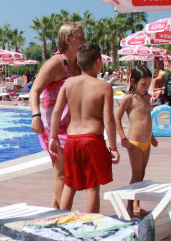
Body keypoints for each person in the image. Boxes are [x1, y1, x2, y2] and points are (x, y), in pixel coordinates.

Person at [49, 43, 119, 213]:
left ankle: (63, 220)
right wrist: (113, 147)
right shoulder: (104, 87)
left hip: (72, 140)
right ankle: (91, 223)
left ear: (78, 63)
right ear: (98, 62)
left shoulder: (68, 84)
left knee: (69, 184)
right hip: (92, 140)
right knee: (92, 187)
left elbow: (56, 112)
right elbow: (109, 120)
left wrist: (53, 137)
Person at [30, 22, 85, 208]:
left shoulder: (78, 64)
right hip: (53, 126)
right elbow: (35, 90)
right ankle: (64, 216)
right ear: (68, 39)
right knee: (63, 172)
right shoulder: (55, 63)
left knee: (68, 171)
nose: (85, 41)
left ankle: (55, 210)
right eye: (81, 37)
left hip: (72, 125)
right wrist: (35, 115)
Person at [115, 65, 158, 216]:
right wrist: (123, 138)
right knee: (136, 175)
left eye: (148, 84)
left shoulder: (147, 97)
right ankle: (129, 206)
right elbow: (117, 118)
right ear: (133, 81)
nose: (146, 87)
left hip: (146, 141)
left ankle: (136, 205)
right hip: (134, 143)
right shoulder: (129, 99)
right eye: (143, 84)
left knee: (142, 174)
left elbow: (146, 120)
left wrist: (152, 137)